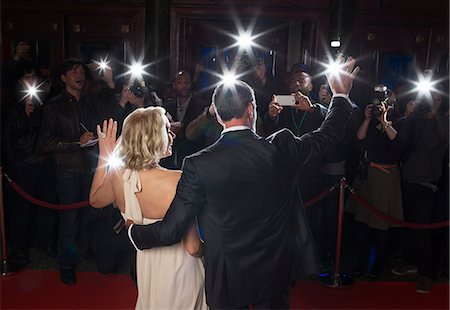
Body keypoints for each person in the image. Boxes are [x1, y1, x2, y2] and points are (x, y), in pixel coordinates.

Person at [127, 56, 359, 309]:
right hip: (274, 272)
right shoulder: (282, 147)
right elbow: (328, 135)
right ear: (251, 109)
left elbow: (170, 230)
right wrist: (340, 95)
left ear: (218, 117)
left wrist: (132, 231)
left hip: (226, 276)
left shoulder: (198, 164)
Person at [89, 109, 206, 309]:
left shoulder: (118, 176)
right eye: (167, 130)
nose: (172, 135)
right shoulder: (178, 180)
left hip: (148, 270)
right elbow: (193, 247)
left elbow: (95, 200)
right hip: (182, 272)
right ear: (153, 137)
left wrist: (104, 155)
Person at [38, 58, 107, 285]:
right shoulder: (53, 105)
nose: (79, 75)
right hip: (67, 168)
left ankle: (84, 250)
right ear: (63, 77)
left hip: (91, 165)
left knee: (90, 213)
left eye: (81, 71)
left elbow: (102, 126)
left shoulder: (90, 102)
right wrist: (75, 143)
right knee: (69, 218)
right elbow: (46, 142)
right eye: (73, 71)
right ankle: (66, 264)